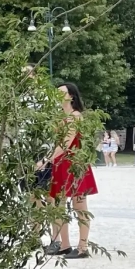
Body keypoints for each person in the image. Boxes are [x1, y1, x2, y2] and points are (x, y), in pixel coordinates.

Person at [46, 81, 98, 259]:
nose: (58, 96)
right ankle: (64, 245)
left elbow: (65, 144)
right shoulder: (60, 117)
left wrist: (45, 160)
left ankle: (83, 247)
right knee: (57, 205)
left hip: (75, 164)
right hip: (61, 164)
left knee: (79, 205)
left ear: (71, 96)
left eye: (62, 92)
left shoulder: (75, 116)